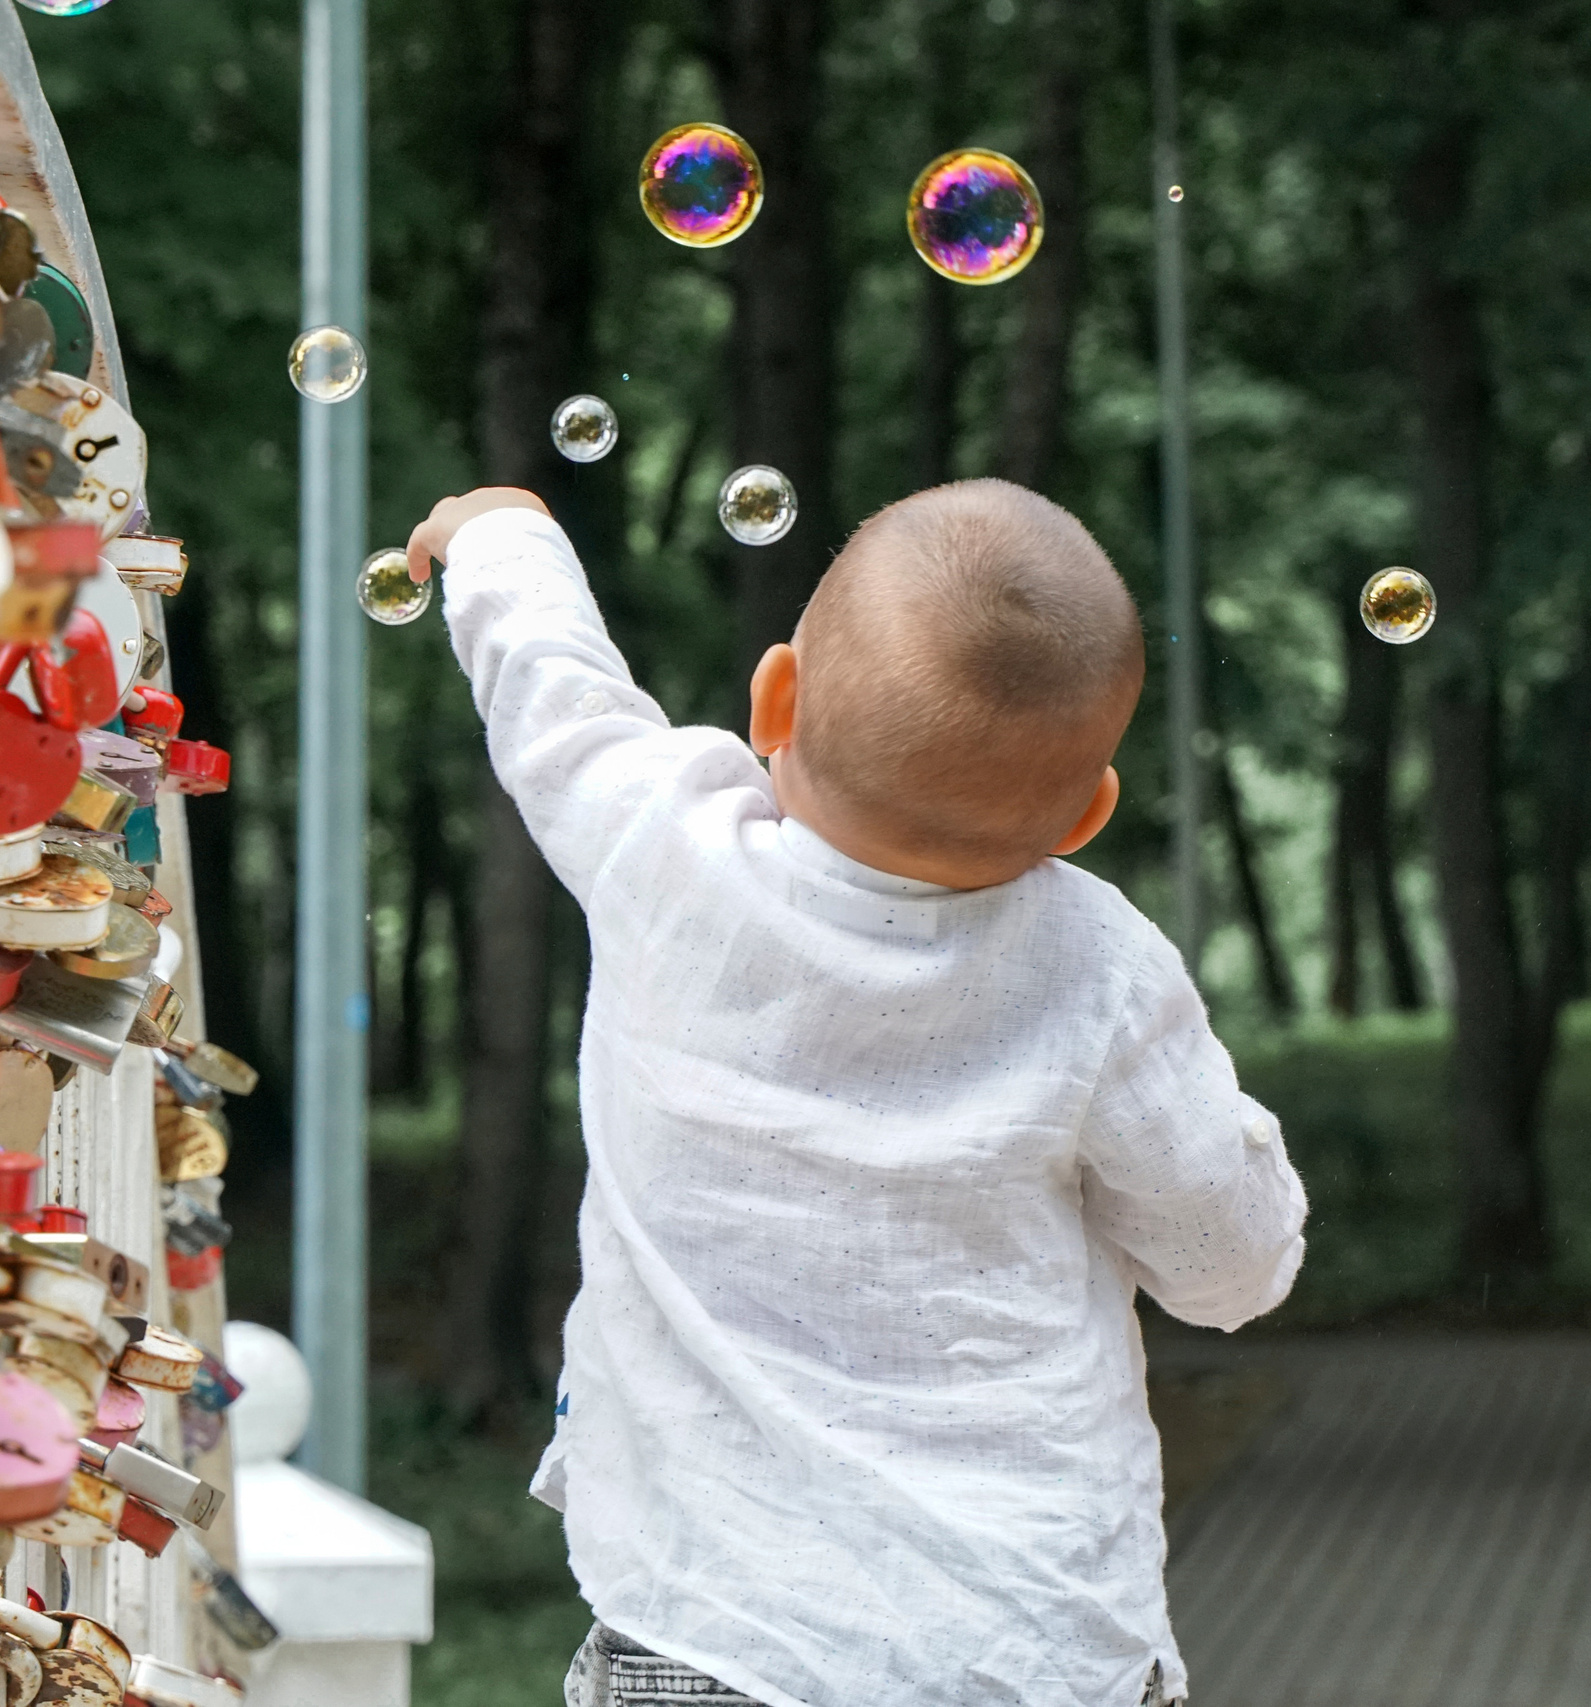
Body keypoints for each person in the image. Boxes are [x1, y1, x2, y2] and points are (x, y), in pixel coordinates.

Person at [404, 479, 1307, 1707]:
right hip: (1030, 1649)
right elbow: (1230, 1263)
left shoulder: (666, 847)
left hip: (711, 1630)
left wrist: (502, 538)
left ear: (774, 699)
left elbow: (556, 695)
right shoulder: (1099, 969)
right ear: (1087, 815)